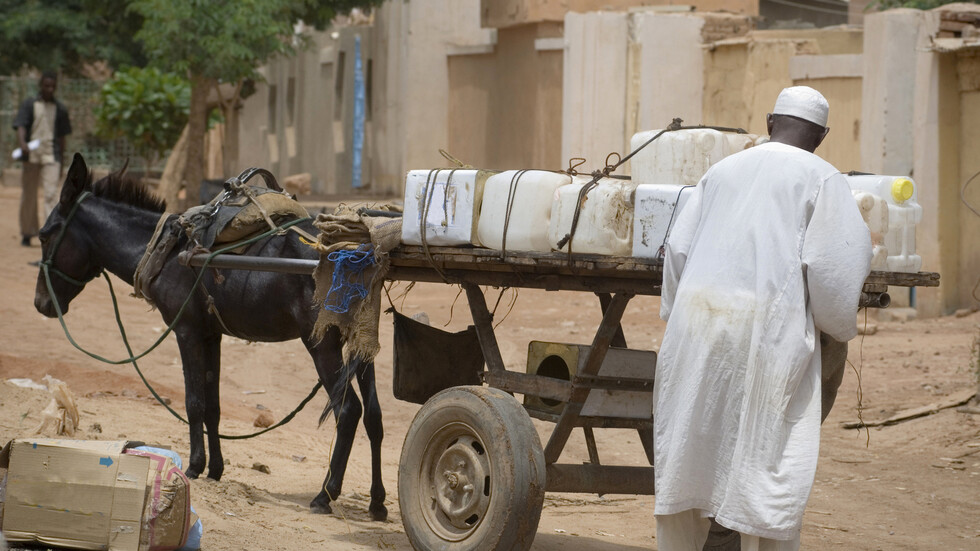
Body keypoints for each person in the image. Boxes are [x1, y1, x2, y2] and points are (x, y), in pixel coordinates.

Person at [653, 86, 872, 551]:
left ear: (770, 123)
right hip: (768, 328)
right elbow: (836, 270)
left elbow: (677, 249)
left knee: (692, 444)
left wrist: (677, 315)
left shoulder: (721, 170)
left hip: (698, 320)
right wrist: (834, 327)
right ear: (822, 136)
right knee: (766, 451)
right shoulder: (824, 178)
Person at [13, 71, 72, 246]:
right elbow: (21, 126)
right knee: (29, 195)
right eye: (47, 85)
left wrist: (61, 160)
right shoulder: (29, 104)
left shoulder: (60, 109)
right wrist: (23, 143)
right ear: (41, 85)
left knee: (51, 195)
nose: (50, 89)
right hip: (31, 156)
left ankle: (51, 235)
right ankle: (27, 232)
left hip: (51, 156)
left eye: (53, 86)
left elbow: (62, 138)